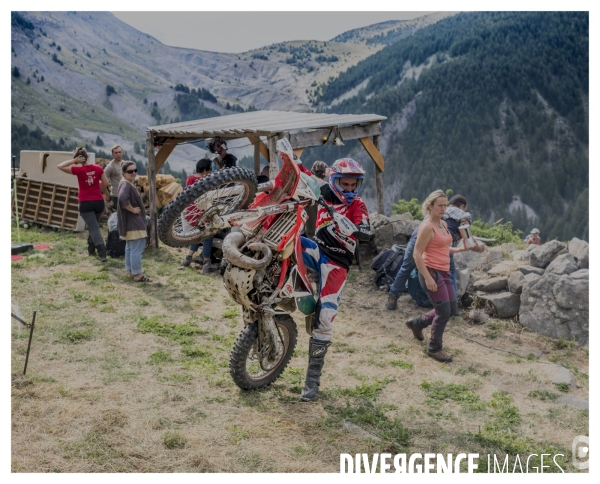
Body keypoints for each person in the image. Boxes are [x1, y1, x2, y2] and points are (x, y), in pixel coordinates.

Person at [299, 158, 372, 401]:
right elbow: (303, 182)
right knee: (289, 243)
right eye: (345, 184)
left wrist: (356, 229)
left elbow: (366, 230)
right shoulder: (322, 193)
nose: (349, 189)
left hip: (337, 263)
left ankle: (311, 381)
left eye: (354, 185)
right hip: (317, 249)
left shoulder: (358, 205)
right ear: (334, 180)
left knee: (326, 317)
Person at [405, 190, 475, 363]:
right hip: (432, 272)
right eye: (440, 205)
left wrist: (459, 249)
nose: (443, 209)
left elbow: (442, 247)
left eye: (445, 205)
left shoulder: (442, 224)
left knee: (450, 309)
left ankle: (418, 323)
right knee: (443, 312)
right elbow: (417, 254)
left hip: (444, 272)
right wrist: (428, 278)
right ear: (430, 206)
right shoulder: (427, 226)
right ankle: (434, 348)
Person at [386, 194, 485, 311]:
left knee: (406, 267)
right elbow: (468, 239)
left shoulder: (438, 210)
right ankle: (453, 306)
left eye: (445, 205)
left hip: (418, 238)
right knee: (451, 272)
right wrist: (479, 247)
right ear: (462, 206)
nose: (443, 207)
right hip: (439, 244)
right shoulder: (464, 216)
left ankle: (392, 298)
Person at [57, 147, 110, 261]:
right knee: (93, 226)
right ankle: (91, 249)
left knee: (94, 227)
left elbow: (60, 166)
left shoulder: (78, 170)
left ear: (77, 158)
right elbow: (105, 183)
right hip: (98, 202)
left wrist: (73, 161)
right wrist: (98, 187)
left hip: (85, 202)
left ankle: (102, 253)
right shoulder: (97, 168)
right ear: (88, 157)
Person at [180, 158, 219, 273]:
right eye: (210, 169)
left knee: (197, 235)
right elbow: (212, 198)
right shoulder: (208, 181)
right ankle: (207, 264)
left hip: (192, 213)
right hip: (202, 212)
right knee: (207, 236)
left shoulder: (190, 179)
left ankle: (188, 258)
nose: (211, 172)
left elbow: (187, 195)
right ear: (206, 170)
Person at [118, 161, 151, 282]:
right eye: (130, 171)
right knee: (137, 248)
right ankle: (138, 275)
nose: (133, 173)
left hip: (129, 222)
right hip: (134, 223)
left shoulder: (125, 183)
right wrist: (132, 209)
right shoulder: (126, 185)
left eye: (135, 170)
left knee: (130, 248)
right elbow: (122, 198)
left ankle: (132, 272)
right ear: (123, 173)